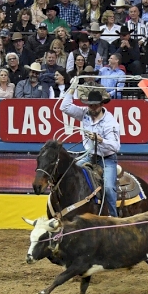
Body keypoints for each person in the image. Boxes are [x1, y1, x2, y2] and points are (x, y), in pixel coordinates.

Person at [60, 83, 120, 217]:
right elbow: (64, 107)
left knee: (109, 188)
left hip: (107, 159)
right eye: (90, 105)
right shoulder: (84, 113)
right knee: (69, 174)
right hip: (90, 156)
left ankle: (113, 217)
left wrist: (101, 140)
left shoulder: (110, 123)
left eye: (95, 105)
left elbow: (116, 146)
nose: (92, 108)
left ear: (101, 105)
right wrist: (72, 87)